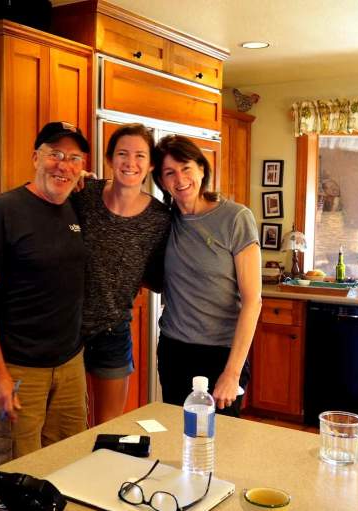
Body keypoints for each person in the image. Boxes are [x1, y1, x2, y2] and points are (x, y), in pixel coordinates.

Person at [0, 121, 91, 467]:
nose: (63, 165)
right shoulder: (1, 211)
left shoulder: (77, 206)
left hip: (70, 365)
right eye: (55, 155)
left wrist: (81, 178)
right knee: (16, 470)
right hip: (19, 368)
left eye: (74, 158)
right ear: (36, 157)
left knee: (70, 463)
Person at [152, 134, 262, 417]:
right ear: (161, 181)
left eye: (186, 168)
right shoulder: (163, 220)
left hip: (222, 353)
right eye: (169, 173)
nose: (180, 179)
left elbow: (253, 301)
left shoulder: (235, 218)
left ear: (202, 169)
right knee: (177, 432)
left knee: (221, 437)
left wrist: (232, 373)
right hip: (174, 350)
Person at [71, 123, 171, 424]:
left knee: (108, 424)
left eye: (140, 155)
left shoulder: (159, 219)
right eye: (122, 153)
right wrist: (75, 175)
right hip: (66, 329)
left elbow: (158, 277)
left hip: (113, 332)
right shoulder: (84, 194)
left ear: (150, 165)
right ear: (109, 159)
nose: (131, 162)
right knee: (68, 425)